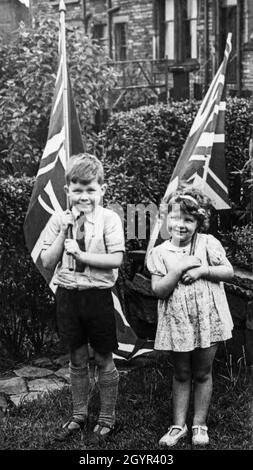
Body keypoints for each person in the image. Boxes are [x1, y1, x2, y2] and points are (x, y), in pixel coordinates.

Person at [40, 153, 125, 443]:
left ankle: (107, 417)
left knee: (103, 356)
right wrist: (63, 230)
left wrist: (81, 254)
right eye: (77, 190)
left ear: (102, 189)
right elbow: (47, 262)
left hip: (97, 296)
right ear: (67, 191)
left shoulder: (109, 219)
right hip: (68, 295)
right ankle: (79, 414)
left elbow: (115, 259)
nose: (84, 196)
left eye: (91, 189)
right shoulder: (58, 219)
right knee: (76, 357)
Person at [147, 187, 234, 447]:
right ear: (166, 219)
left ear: (199, 221)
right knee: (182, 373)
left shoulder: (208, 243)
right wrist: (182, 267)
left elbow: (228, 272)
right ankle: (177, 426)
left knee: (203, 372)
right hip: (179, 323)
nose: (181, 224)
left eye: (189, 219)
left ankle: (199, 424)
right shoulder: (160, 253)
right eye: (176, 218)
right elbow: (159, 290)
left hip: (209, 319)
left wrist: (202, 270)